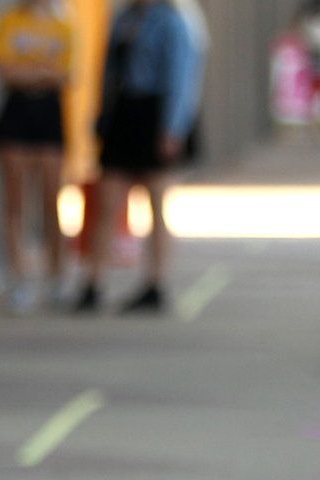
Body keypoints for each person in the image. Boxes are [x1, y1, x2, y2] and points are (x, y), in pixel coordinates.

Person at [76, 0, 204, 313]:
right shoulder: (123, 19)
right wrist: (102, 116)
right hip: (124, 113)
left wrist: (173, 128)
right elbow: (107, 71)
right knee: (107, 202)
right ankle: (93, 282)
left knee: (156, 202)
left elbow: (181, 78)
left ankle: (155, 282)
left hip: (154, 114)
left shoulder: (172, 22)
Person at [0, 0, 73, 312]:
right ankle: (19, 278)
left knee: (52, 199)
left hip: (49, 115)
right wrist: (40, 71)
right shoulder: (8, 21)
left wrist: (27, 70)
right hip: (16, 113)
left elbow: (66, 73)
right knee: (14, 202)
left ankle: (57, 275)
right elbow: (2, 68)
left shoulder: (63, 23)